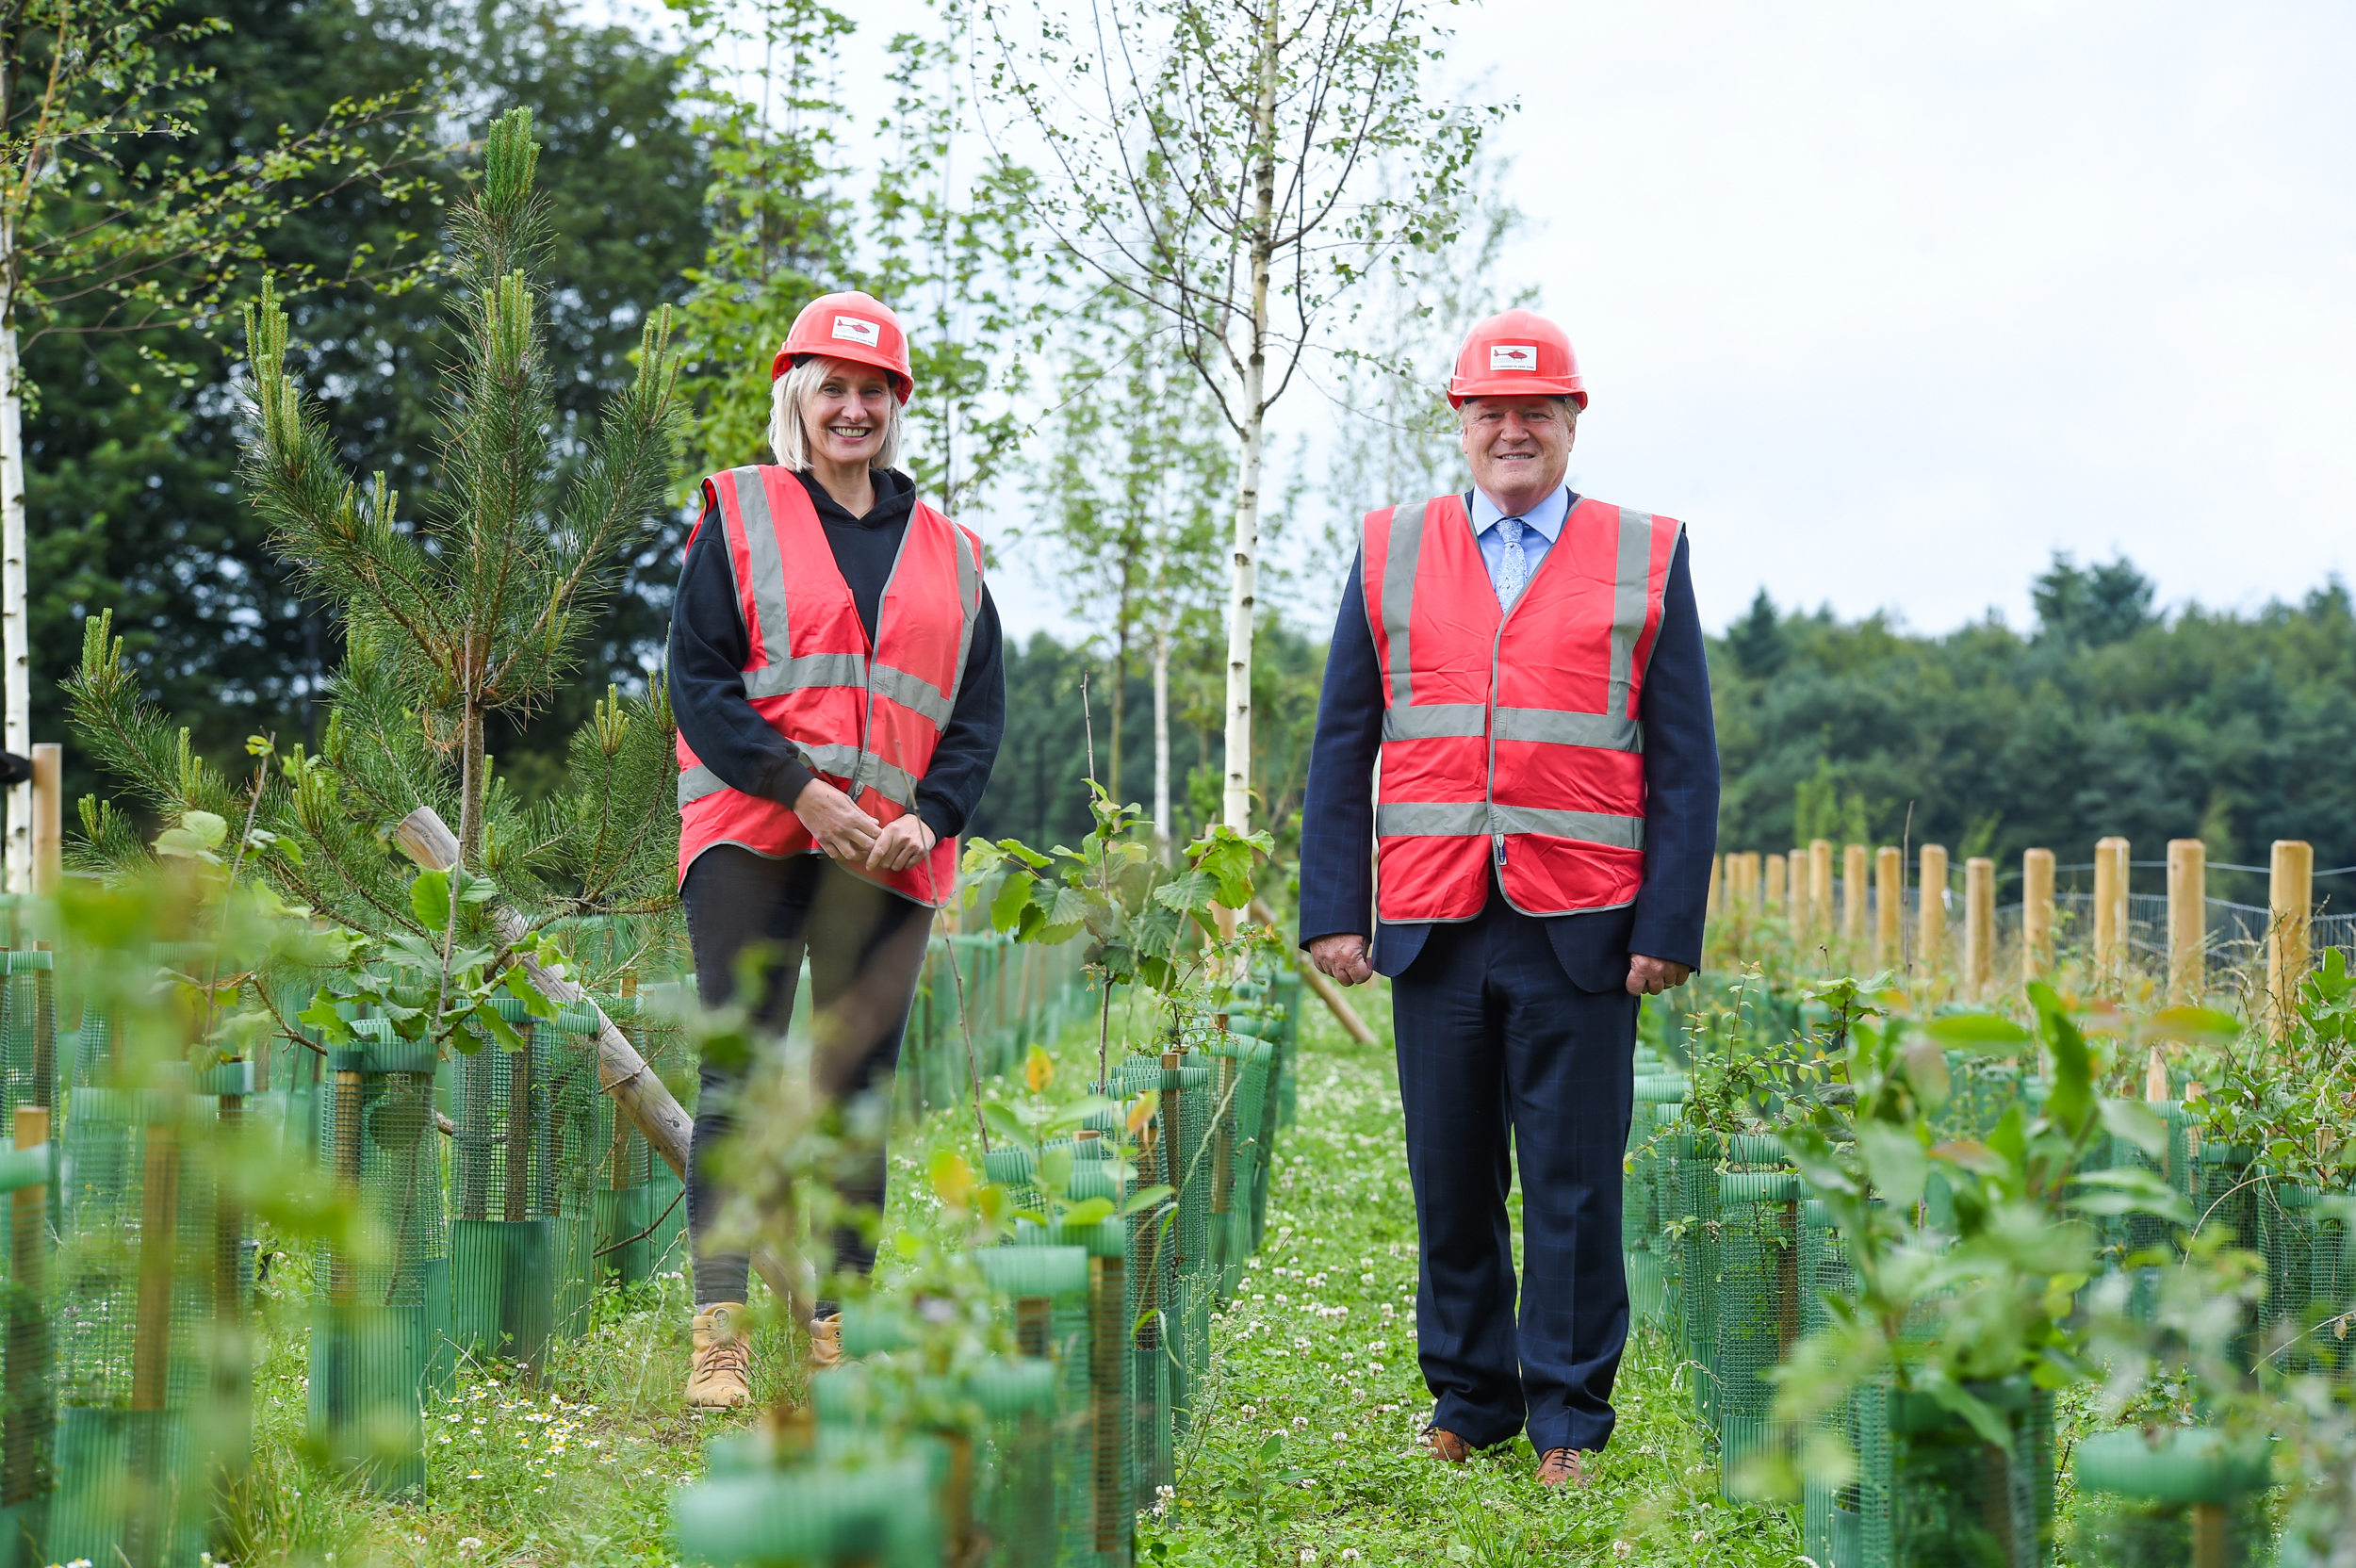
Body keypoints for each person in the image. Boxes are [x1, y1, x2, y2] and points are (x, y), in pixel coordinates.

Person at [1297, 308, 1718, 1486]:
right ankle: (1470, 1396)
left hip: (1582, 925)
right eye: (1492, 410)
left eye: (1538, 411)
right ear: (1460, 420)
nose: (1513, 430)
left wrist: (1668, 923)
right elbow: (1344, 741)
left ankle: (1570, 1418)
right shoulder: (1389, 549)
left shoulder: (1647, 553)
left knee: (1576, 1183)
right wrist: (1334, 903)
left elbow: (1685, 760)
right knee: (1451, 1176)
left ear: (1573, 421)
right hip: (1432, 919)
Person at [667, 290, 1005, 1409]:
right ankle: (717, 1331)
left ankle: (837, 1330)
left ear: (895, 406)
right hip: (753, 833)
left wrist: (933, 814)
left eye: (873, 391)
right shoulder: (742, 511)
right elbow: (701, 682)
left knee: (853, 1088)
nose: (851, 408)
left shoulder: (951, 553)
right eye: (833, 388)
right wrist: (800, 791)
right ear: (796, 397)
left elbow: (977, 712)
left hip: (889, 851)